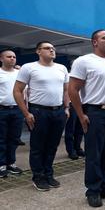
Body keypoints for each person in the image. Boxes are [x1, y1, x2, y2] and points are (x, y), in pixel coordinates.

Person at [68, 29, 105, 208]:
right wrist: (81, 114)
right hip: (95, 112)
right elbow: (73, 89)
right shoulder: (84, 61)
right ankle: (93, 190)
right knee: (94, 154)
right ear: (94, 42)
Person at [13, 41, 70, 191]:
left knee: (52, 145)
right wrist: (26, 113)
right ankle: (38, 177)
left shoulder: (61, 68)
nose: (51, 50)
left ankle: (48, 173)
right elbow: (17, 91)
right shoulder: (29, 67)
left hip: (58, 112)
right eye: (47, 48)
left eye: (53, 48)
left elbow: (66, 90)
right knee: (38, 146)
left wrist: (66, 108)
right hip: (39, 112)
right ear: (38, 51)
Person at [0, 50, 24, 178]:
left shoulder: (20, 74)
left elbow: (25, 91)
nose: (12, 59)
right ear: (1, 59)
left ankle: (11, 163)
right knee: (1, 138)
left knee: (14, 138)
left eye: (14, 57)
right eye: (9, 57)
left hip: (17, 109)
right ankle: (1, 164)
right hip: (2, 110)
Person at [65, 60, 84, 160]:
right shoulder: (68, 76)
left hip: (83, 104)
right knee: (70, 129)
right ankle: (71, 150)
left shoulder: (84, 76)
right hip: (72, 105)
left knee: (80, 128)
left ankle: (78, 148)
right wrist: (67, 106)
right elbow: (66, 92)